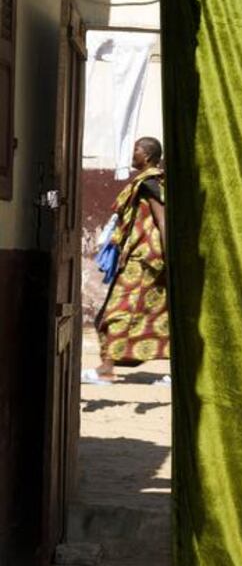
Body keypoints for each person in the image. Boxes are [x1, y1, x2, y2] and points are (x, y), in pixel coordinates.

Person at [82, 137, 169, 384]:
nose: (133, 153)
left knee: (116, 312)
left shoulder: (150, 183)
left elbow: (162, 220)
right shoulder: (146, 182)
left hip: (146, 259)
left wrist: (167, 256)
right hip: (140, 256)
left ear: (149, 156)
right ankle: (108, 367)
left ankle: (106, 369)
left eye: (137, 149)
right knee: (154, 313)